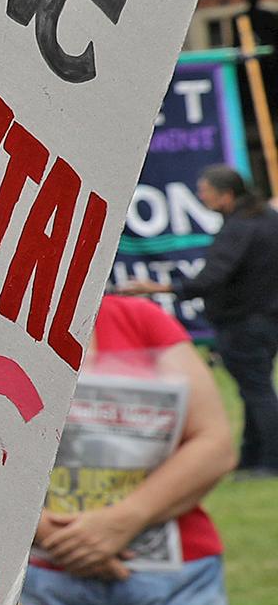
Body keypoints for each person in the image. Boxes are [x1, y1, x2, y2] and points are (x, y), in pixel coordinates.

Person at [18, 289, 234, 605]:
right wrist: (46, 531)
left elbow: (215, 443)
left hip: (168, 585)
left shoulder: (139, 320)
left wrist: (121, 520)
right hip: (44, 590)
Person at [120, 161, 278, 474]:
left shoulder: (239, 228)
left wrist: (159, 287)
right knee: (253, 389)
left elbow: (212, 277)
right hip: (266, 318)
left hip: (243, 321)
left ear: (226, 195)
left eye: (205, 191)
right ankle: (253, 458)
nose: (200, 196)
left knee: (257, 392)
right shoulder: (266, 219)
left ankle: (271, 460)